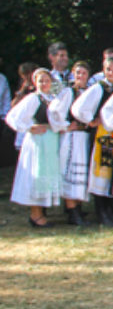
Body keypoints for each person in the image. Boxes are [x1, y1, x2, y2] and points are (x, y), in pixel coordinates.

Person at [70, 57, 113, 226]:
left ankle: (110, 209)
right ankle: (101, 212)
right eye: (108, 69)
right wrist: (90, 120)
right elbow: (78, 108)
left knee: (112, 171)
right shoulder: (98, 88)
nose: (111, 72)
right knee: (101, 170)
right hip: (102, 134)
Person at [7, 68, 60, 227]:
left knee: (46, 176)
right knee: (37, 176)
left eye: (46, 80)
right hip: (38, 142)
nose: (44, 83)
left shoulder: (52, 98)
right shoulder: (33, 99)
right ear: (35, 83)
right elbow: (12, 117)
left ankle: (41, 212)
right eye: (40, 81)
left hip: (50, 141)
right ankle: (35, 215)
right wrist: (30, 127)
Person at [48, 61, 92, 226]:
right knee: (70, 172)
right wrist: (65, 126)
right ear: (73, 74)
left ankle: (78, 208)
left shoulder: (89, 91)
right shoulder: (67, 91)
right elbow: (54, 111)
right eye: (78, 73)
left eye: (84, 73)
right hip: (72, 136)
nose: (80, 76)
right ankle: (72, 211)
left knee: (81, 173)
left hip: (85, 137)